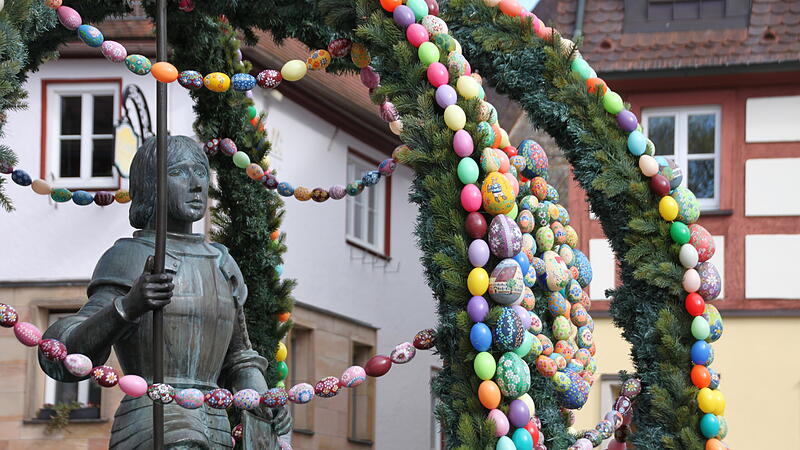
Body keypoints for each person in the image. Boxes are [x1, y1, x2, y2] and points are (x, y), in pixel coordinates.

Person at [38, 135, 290, 449]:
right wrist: (128, 307)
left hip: (216, 425)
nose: (196, 184)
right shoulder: (129, 256)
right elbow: (64, 352)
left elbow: (239, 356)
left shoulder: (222, 262)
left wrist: (260, 395)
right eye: (179, 173)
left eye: (200, 172)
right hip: (152, 420)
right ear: (151, 183)